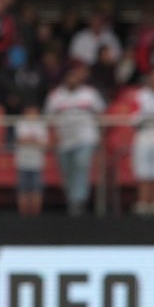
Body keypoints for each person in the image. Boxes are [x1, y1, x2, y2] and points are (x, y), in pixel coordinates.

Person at [44, 62, 105, 216]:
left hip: (86, 137)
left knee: (81, 166)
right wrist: (53, 137)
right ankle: (72, 200)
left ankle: (78, 203)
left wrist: (101, 136)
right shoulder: (56, 95)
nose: (73, 79)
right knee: (67, 172)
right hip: (64, 140)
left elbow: (103, 116)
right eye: (70, 77)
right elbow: (48, 120)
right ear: (65, 79)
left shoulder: (90, 94)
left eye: (75, 77)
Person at [131, 67, 154, 215]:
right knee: (143, 169)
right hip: (144, 134)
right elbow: (134, 117)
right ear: (150, 79)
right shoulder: (140, 95)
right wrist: (151, 117)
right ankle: (143, 202)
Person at [14, 104, 50, 215]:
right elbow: (20, 140)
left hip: (37, 163)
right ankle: (23, 216)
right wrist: (34, 140)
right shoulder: (20, 123)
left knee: (36, 190)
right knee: (22, 190)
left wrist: (30, 140)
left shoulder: (41, 124)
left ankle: (35, 216)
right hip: (22, 162)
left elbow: (44, 143)